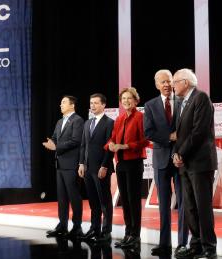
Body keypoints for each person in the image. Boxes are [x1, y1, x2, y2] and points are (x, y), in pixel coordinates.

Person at [171, 68, 218, 259]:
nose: (172, 85)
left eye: (175, 81)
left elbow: (199, 132)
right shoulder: (183, 102)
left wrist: (180, 152)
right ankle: (196, 244)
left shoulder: (201, 98)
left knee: (202, 205)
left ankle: (209, 246)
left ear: (185, 82)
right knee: (190, 206)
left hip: (200, 162)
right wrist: (176, 153)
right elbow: (179, 135)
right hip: (185, 163)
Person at [144, 69, 189, 256]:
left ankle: (182, 244)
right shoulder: (150, 105)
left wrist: (179, 147)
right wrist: (169, 136)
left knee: (184, 203)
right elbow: (149, 132)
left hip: (181, 159)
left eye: (168, 81)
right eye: (162, 81)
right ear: (156, 85)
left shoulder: (183, 101)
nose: (166, 84)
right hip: (161, 160)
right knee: (163, 205)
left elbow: (188, 129)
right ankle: (164, 244)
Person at [105, 87, 149, 249]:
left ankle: (135, 236)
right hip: (121, 163)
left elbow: (145, 140)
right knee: (125, 200)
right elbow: (113, 138)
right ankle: (128, 233)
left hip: (134, 161)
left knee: (133, 199)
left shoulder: (140, 117)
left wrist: (125, 146)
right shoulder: (119, 118)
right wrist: (110, 144)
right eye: (123, 99)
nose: (126, 101)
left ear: (136, 100)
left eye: (129, 98)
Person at [43, 95, 84, 239]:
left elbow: (76, 141)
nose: (60, 105)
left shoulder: (77, 120)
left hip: (71, 165)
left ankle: (77, 226)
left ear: (72, 105)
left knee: (74, 197)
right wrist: (51, 143)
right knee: (61, 198)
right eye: (61, 102)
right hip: (59, 164)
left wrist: (56, 146)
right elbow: (55, 137)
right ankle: (62, 225)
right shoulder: (60, 121)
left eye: (63, 102)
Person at [78, 93, 114, 243]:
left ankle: (106, 232)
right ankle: (95, 228)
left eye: (96, 103)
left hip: (101, 168)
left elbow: (110, 147)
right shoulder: (87, 123)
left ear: (103, 105)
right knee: (93, 201)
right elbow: (83, 146)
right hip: (87, 168)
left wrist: (105, 165)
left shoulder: (109, 122)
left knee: (104, 201)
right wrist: (81, 163)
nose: (92, 106)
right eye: (91, 103)